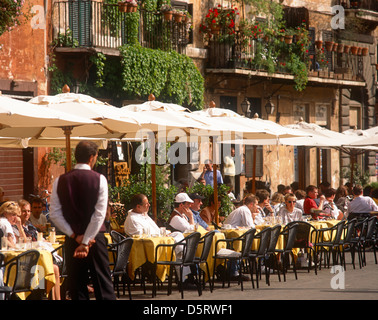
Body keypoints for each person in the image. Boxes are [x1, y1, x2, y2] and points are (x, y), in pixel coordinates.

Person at [50, 140, 116, 300]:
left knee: (76, 286)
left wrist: (75, 236)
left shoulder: (60, 180)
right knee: (103, 284)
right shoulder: (99, 179)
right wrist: (86, 241)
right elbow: (99, 214)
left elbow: (55, 215)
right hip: (95, 238)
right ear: (92, 157)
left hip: (73, 239)